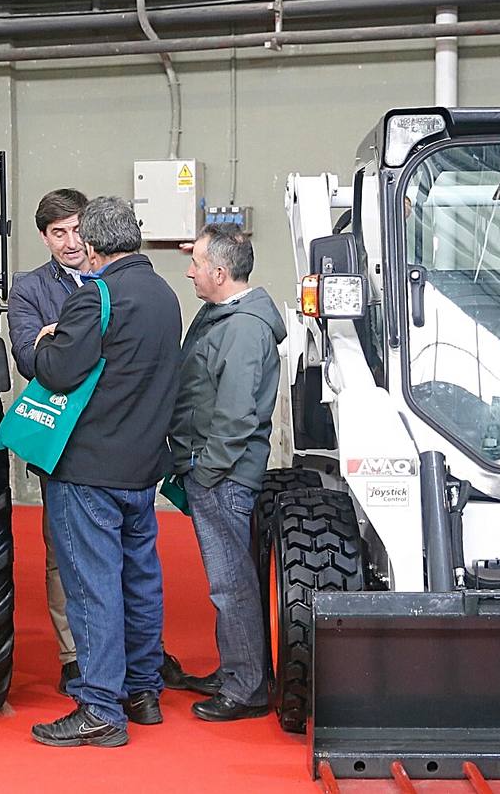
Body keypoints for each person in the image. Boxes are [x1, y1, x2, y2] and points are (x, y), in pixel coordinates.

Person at [9, 189, 203, 697]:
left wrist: (52, 340)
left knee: (91, 587)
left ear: (94, 244)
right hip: (142, 468)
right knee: (140, 581)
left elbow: (54, 370)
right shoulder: (164, 294)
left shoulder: (96, 295)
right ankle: (142, 692)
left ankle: (99, 706)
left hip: (88, 468)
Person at [170, 224, 285, 721]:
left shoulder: (241, 328)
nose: (190, 270)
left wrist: (206, 470)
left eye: (196, 262)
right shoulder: (226, 316)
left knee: (230, 583)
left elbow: (236, 413)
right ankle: (240, 670)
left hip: (224, 475)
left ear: (219, 272)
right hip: (221, 471)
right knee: (232, 580)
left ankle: (245, 688)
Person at [6, 188, 87, 691]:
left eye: (77, 229)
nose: (71, 242)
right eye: (59, 233)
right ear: (45, 237)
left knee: (126, 552)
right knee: (63, 555)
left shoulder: (113, 277)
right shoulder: (29, 288)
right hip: (60, 441)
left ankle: (133, 650)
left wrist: (61, 335)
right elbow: (31, 359)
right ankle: (74, 655)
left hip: (119, 437)